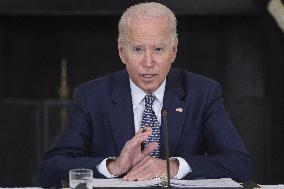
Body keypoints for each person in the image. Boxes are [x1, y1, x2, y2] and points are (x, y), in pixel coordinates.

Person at [39, 2, 252, 187]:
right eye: (138, 49)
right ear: (122, 52)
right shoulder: (92, 96)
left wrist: (172, 166)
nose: (148, 63)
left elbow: (240, 164)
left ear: (174, 51)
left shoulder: (202, 93)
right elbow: (51, 169)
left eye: (158, 49)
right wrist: (114, 166)